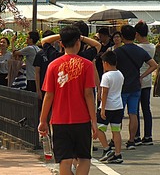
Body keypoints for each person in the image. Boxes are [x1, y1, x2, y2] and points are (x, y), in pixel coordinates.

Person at [38, 26, 98, 175]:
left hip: (59, 120)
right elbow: (88, 94)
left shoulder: (53, 65)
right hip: (82, 119)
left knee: (64, 160)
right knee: (84, 158)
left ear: (61, 44)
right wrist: (94, 121)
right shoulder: (87, 65)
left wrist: (43, 119)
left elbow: (49, 95)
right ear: (79, 42)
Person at [114, 24, 158, 150]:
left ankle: (115, 139)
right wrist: (141, 76)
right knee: (133, 113)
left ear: (122, 36)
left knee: (119, 114)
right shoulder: (140, 50)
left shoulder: (118, 51)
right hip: (136, 86)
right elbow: (154, 65)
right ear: (134, 35)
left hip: (122, 86)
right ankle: (132, 140)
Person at [96, 50, 125, 164]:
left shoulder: (106, 76)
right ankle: (118, 154)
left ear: (106, 63)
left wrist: (102, 108)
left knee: (98, 128)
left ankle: (107, 149)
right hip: (118, 106)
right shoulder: (120, 74)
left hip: (108, 106)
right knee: (116, 131)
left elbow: (105, 93)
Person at [134, 21, 155, 145]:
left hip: (137, 80)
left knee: (134, 109)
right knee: (146, 109)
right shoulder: (152, 46)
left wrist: (140, 75)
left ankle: (136, 135)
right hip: (147, 82)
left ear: (137, 34)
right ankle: (148, 135)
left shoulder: (138, 48)